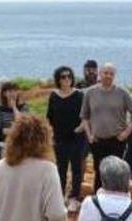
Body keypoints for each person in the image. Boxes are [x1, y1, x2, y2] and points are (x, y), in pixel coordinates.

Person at [80, 63, 132, 192]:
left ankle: (116, 199)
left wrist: (127, 132)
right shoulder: (90, 93)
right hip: (97, 141)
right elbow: (84, 116)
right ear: (100, 74)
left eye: (111, 73)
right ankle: (98, 200)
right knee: (99, 172)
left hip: (117, 140)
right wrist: (89, 135)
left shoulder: (122, 92)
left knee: (116, 172)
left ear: (114, 76)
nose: (108, 76)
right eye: (105, 73)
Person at [46, 66, 86, 212]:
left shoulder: (79, 95)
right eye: (63, 77)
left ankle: (74, 198)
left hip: (77, 138)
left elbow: (85, 115)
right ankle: (60, 197)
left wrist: (80, 128)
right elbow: (49, 117)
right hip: (60, 138)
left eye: (69, 76)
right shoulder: (54, 95)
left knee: (76, 169)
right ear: (58, 79)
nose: (66, 79)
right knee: (60, 169)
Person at [0, 81, 29, 164]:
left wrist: (14, 107)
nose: (13, 94)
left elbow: (23, 123)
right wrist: (16, 130)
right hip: (3, 145)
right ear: (4, 93)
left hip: (20, 144)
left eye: (15, 91)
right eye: (10, 91)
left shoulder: (24, 107)